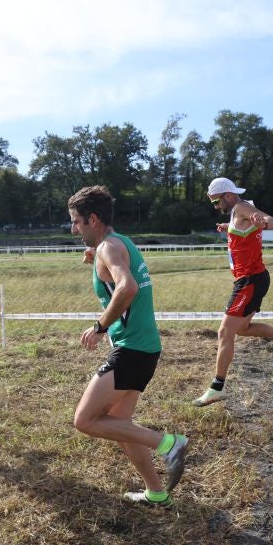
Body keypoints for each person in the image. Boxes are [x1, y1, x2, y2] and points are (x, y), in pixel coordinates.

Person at [68, 186, 188, 507]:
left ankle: (169, 444)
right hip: (144, 348)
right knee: (120, 426)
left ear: (93, 219)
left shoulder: (109, 248)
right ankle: (156, 493)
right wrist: (97, 259)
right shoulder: (118, 243)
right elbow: (119, 271)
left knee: (85, 420)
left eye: (77, 222)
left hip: (132, 350)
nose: (73, 229)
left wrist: (99, 326)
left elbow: (128, 286)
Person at [193, 177, 273, 407]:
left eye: (216, 201)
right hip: (253, 279)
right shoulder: (236, 214)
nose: (216, 207)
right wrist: (228, 228)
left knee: (225, 332)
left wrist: (264, 220)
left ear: (229, 196)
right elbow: (244, 230)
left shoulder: (242, 207)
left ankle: (216, 388)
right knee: (241, 328)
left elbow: (271, 221)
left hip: (250, 281)